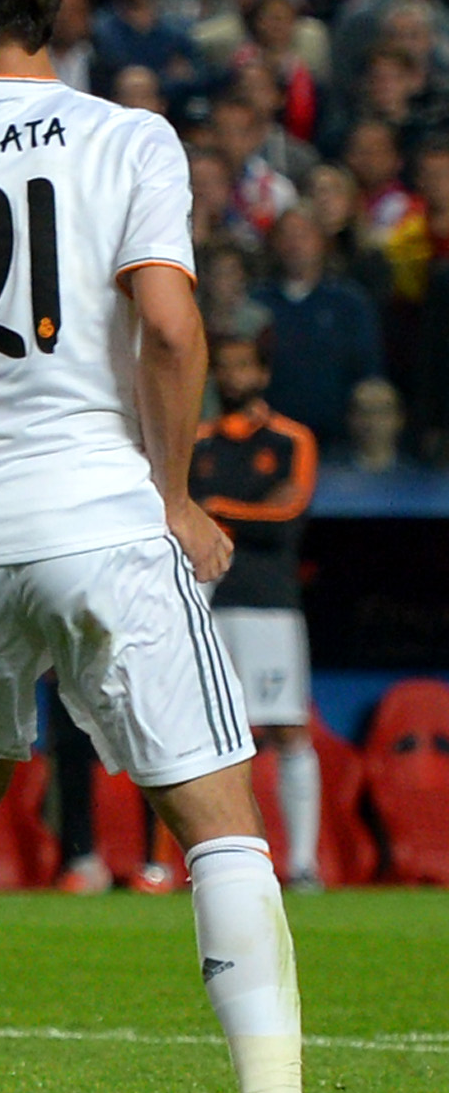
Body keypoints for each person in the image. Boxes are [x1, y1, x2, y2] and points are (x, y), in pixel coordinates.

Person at [0, 0, 389, 1093]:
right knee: (218, 815)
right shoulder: (126, 135)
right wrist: (173, 490)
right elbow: (168, 324)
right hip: (98, 510)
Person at [195, 332, 332, 893]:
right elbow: (171, 513)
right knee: (202, 736)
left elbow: (289, 514)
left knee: (287, 727)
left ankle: (301, 862)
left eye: (243, 366)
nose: (233, 377)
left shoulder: (291, 438)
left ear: (263, 374)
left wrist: (214, 512)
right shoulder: (196, 441)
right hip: (203, 602)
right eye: (223, 367)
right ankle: (211, 861)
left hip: (268, 604)